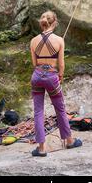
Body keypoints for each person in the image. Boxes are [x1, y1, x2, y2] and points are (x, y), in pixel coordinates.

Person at [30, 11, 82, 157]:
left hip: (37, 76)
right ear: (54, 23)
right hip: (52, 76)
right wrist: (60, 75)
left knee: (38, 111)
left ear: (42, 23)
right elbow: (61, 64)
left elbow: (34, 63)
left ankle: (41, 148)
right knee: (60, 108)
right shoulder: (59, 40)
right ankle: (69, 140)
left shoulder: (33, 41)